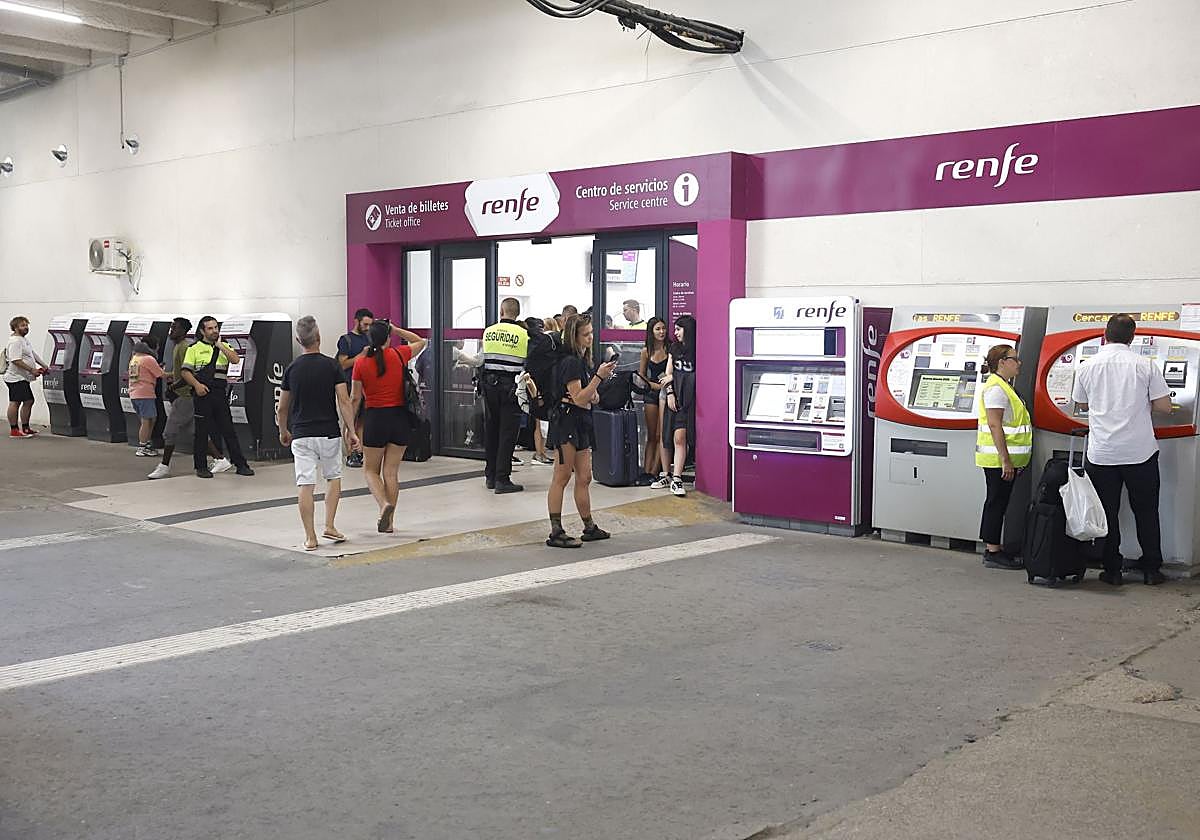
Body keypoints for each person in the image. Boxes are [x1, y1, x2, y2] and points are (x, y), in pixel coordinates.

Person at [1072, 314, 1174, 586]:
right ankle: (1151, 569)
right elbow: (1164, 406)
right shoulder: (1145, 365)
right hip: (1140, 452)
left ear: (1105, 335)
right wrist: (1140, 404)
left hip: (1102, 453)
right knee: (1146, 510)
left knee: (1107, 511)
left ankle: (1112, 569)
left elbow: (1080, 405)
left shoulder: (1086, 366)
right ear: (1132, 337)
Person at [277, 316, 361, 551]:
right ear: (319, 338)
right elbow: (344, 401)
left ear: (298, 340)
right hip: (328, 433)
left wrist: (283, 430)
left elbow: (282, 407)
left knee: (305, 484)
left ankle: (310, 537)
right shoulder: (332, 366)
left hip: (302, 434)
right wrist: (352, 431)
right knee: (333, 477)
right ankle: (330, 525)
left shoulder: (292, 369)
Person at [545, 314, 617, 548]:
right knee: (562, 475)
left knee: (584, 476)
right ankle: (556, 531)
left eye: (591, 333)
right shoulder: (571, 362)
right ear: (574, 337)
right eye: (585, 334)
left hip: (580, 422)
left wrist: (593, 388)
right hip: (566, 422)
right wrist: (598, 378)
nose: (590, 338)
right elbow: (578, 398)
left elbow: (588, 397)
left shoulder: (582, 361)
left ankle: (588, 526)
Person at [351, 319, 428, 533]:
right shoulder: (398, 354)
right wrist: (395, 330)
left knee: (370, 470)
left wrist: (350, 426)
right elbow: (421, 341)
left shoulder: (361, 363)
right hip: (400, 418)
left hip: (375, 419)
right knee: (391, 473)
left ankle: (383, 505)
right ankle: (390, 522)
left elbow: (355, 398)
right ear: (387, 338)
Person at [148, 318, 230, 479]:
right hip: (186, 395)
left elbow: (190, 372)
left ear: (184, 331)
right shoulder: (178, 346)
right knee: (196, 431)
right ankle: (220, 459)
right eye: (171, 327)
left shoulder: (185, 347)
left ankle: (164, 465)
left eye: (175, 328)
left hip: (186, 396)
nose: (171, 331)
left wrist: (173, 387)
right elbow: (181, 372)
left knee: (170, 431)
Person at [975, 344, 1030, 570]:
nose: (1019, 363)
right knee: (996, 502)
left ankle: (994, 547)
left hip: (1005, 459)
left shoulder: (1005, 386)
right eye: (1015, 359)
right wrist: (1006, 460)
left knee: (999, 501)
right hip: (997, 460)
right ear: (1002, 362)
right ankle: (992, 551)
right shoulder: (996, 388)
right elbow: (995, 424)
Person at [181, 316, 254, 479]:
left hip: (220, 393)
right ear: (202, 331)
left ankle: (240, 464)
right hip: (203, 393)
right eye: (210, 328)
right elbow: (185, 371)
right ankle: (201, 466)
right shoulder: (194, 349)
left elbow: (235, 360)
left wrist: (220, 345)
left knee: (228, 430)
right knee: (201, 432)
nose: (214, 331)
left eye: (216, 328)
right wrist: (197, 386)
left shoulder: (224, 347)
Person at [481, 298, 530, 494]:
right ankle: (503, 478)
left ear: (502, 311)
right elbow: (527, 361)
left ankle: (490, 476)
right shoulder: (523, 334)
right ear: (517, 313)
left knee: (491, 431)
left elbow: (481, 358)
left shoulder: (489, 332)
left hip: (489, 386)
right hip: (511, 388)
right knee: (507, 433)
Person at [651, 315, 697, 497]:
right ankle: (666, 474)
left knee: (680, 437)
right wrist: (670, 390)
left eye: (679, 329)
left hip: (687, 399)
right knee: (665, 434)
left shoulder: (696, 349)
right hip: (670, 396)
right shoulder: (674, 348)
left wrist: (675, 378)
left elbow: (696, 376)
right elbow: (666, 375)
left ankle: (676, 477)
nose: (675, 333)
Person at [336, 308, 375, 468]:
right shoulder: (346, 340)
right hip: (349, 384)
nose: (367, 328)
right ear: (356, 321)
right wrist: (361, 356)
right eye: (365, 324)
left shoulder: (370, 338)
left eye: (369, 325)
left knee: (362, 422)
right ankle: (352, 453)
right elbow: (343, 363)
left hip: (366, 384)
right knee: (350, 420)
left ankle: (360, 451)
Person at [637, 317, 669, 485]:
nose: (661, 332)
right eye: (658, 329)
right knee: (651, 435)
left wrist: (661, 386)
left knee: (660, 434)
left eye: (663, 328)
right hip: (651, 393)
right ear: (651, 331)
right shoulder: (646, 351)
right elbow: (641, 374)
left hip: (666, 393)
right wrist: (651, 385)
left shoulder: (670, 349)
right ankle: (646, 471)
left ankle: (656, 472)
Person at [4, 315, 48, 438]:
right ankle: (14, 430)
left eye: (26, 325)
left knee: (27, 401)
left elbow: (32, 354)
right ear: (15, 328)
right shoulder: (15, 341)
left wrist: (45, 366)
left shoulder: (23, 340)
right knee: (16, 402)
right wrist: (32, 370)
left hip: (22, 377)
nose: (26, 328)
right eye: (23, 325)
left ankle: (25, 428)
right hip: (15, 378)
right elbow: (15, 360)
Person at [128, 335, 165, 457]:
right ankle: (142, 446)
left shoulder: (135, 357)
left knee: (150, 419)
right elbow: (160, 374)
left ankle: (147, 444)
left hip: (135, 393)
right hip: (145, 393)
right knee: (147, 421)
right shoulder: (148, 359)